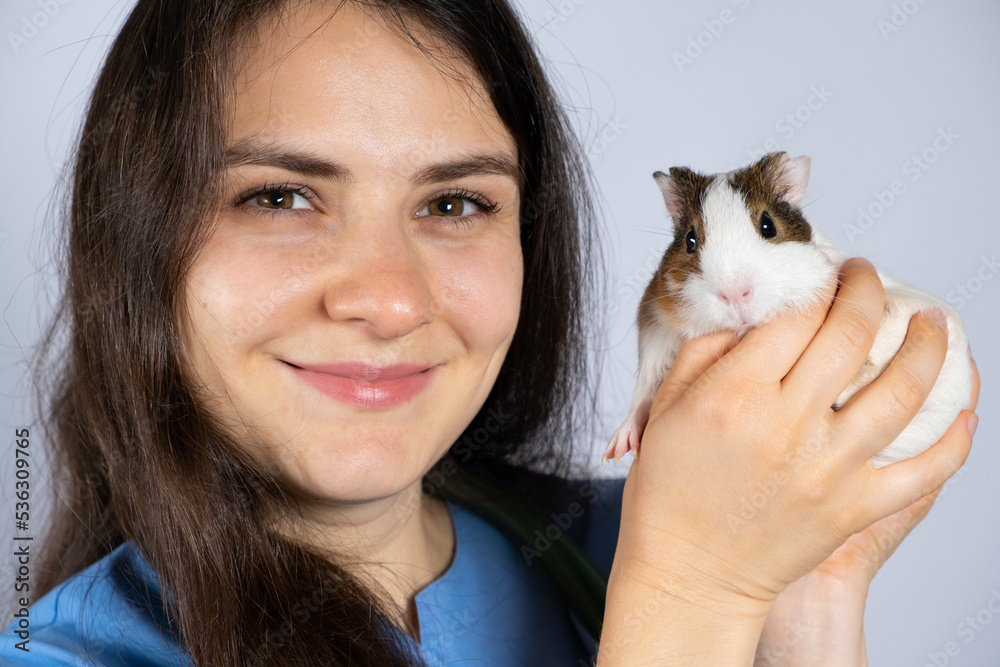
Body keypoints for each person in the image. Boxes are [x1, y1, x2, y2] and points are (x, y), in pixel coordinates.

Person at [0, 0, 979, 664]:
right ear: (131, 236)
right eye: (282, 196)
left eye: (457, 204)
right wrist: (693, 597)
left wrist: (804, 594)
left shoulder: (629, 530)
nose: (389, 300)